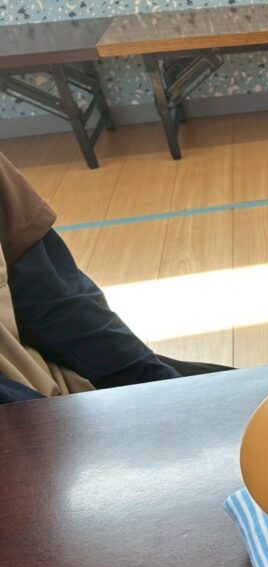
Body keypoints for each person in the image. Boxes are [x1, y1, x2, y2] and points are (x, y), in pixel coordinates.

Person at [0, 151, 228, 405]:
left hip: (55, 391)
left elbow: (55, 299)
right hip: (33, 416)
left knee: (239, 392)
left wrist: (163, 386)